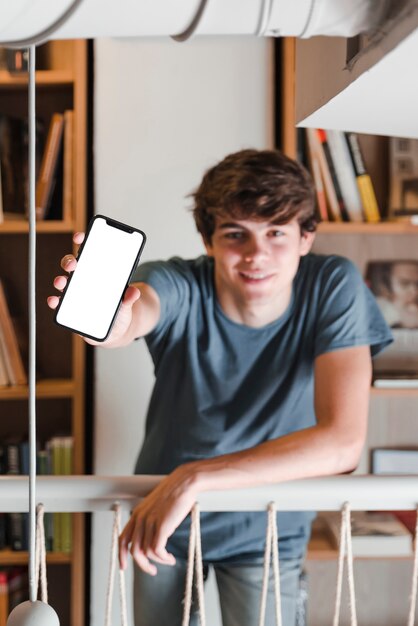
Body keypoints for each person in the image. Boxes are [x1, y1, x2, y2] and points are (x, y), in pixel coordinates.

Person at [48, 149, 392, 626]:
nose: (256, 255)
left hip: (265, 520)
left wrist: (195, 477)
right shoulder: (178, 281)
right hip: (164, 520)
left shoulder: (333, 285)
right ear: (209, 241)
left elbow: (342, 445)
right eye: (236, 234)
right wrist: (106, 321)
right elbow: (136, 311)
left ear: (306, 237)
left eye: (276, 233)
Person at [366, 260, 418, 329]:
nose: (414, 291)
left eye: (417, 284)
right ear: (387, 286)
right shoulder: (379, 306)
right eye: (404, 283)